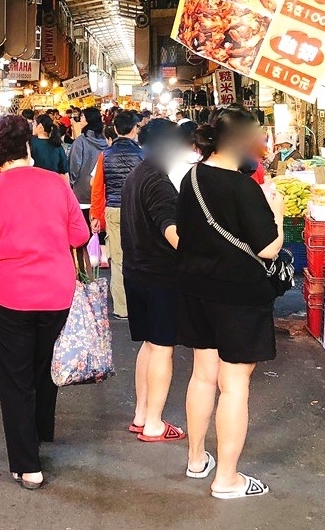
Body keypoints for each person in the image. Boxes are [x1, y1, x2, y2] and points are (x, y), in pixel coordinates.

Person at [0, 114, 91, 490]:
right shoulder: (56, 185)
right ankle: (40, 431)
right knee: (43, 365)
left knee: (15, 379)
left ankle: (27, 463)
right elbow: (79, 235)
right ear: (28, 147)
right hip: (56, 293)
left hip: (6, 297)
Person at [177, 107, 284, 500]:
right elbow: (269, 248)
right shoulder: (243, 187)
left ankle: (195, 459)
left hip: (196, 289)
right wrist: (277, 209)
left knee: (203, 375)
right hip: (238, 293)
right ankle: (227, 479)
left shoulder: (192, 177)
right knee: (234, 383)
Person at [121, 118, 186, 444]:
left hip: (135, 273)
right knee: (162, 349)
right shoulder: (159, 183)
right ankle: (155, 425)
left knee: (149, 345)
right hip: (160, 277)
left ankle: (142, 414)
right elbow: (173, 232)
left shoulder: (137, 174)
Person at [90, 110, 144, 318]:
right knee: (139, 257)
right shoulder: (142, 154)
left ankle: (122, 308)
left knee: (119, 260)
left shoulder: (106, 155)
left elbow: (97, 189)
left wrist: (96, 216)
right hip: (137, 211)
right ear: (133, 129)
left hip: (113, 209)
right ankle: (140, 304)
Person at [67, 107, 108, 226]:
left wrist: (72, 183)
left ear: (89, 120)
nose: (80, 120)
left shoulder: (80, 141)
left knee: (84, 230)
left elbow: (74, 166)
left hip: (81, 192)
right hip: (101, 192)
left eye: (83, 117)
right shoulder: (106, 141)